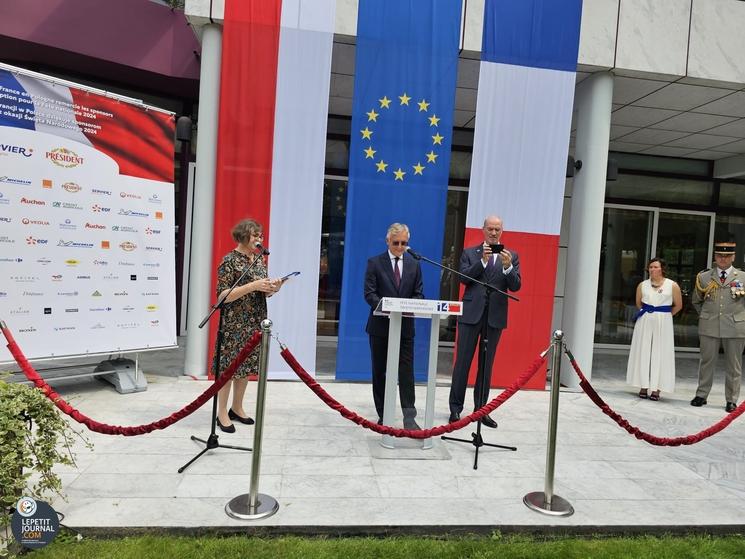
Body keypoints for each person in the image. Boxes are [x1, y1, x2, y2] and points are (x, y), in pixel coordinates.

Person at [448, 216, 521, 427]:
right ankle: (455, 410)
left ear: (502, 231)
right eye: (490, 228)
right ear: (483, 230)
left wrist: (508, 268)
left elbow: (516, 287)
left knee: (486, 366)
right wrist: (483, 262)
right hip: (471, 314)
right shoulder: (471, 253)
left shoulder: (511, 256)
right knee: (462, 364)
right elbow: (463, 278)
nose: (494, 232)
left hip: (494, 317)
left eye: (497, 229)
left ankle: (481, 411)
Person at [213, 219, 284, 433]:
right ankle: (222, 412)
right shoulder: (230, 261)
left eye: (261, 236)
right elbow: (222, 297)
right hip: (235, 323)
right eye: (255, 235)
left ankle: (237, 407)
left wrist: (274, 288)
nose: (259, 239)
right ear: (243, 236)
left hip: (255, 321)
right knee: (229, 368)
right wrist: (253, 285)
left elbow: (264, 292)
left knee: (245, 367)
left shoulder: (258, 261)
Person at [364, 223, 424, 430]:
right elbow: (369, 294)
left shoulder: (414, 264)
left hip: (405, 327)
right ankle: (384, 414)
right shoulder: (375, 263)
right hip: (380, 327)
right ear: (388, 241)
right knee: (380, 371)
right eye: (396, 242)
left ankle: (409, 416)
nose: (400, 247)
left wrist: (407, 306)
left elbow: (419, 293)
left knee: (406, 372)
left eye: (404, 243)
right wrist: (386, 306)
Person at [691, 241, 745, 413]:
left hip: (735, 326)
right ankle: (701, 395)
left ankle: (731, 399)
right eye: (720, 255)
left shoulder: (742, 277)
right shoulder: (705, 277)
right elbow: (696, 300)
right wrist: (706, 315)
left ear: (733, 257)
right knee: (706, 362)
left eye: (727, 256)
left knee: (734, 365)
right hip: (709, 325)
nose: (723, 259)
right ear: (715, 256)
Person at [626, 258, 683, 401]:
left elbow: (678, 305)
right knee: (643, 350)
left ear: (662, 269)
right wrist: (650, 314)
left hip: (663, 321)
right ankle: (643, 385)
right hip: (645, 320)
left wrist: (664, 316)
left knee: (661, 352)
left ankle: (657, 388)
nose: (652, 269)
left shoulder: (672, 285)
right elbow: (639, 303)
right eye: (650, 267)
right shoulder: (642, 285)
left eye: (655, 267)